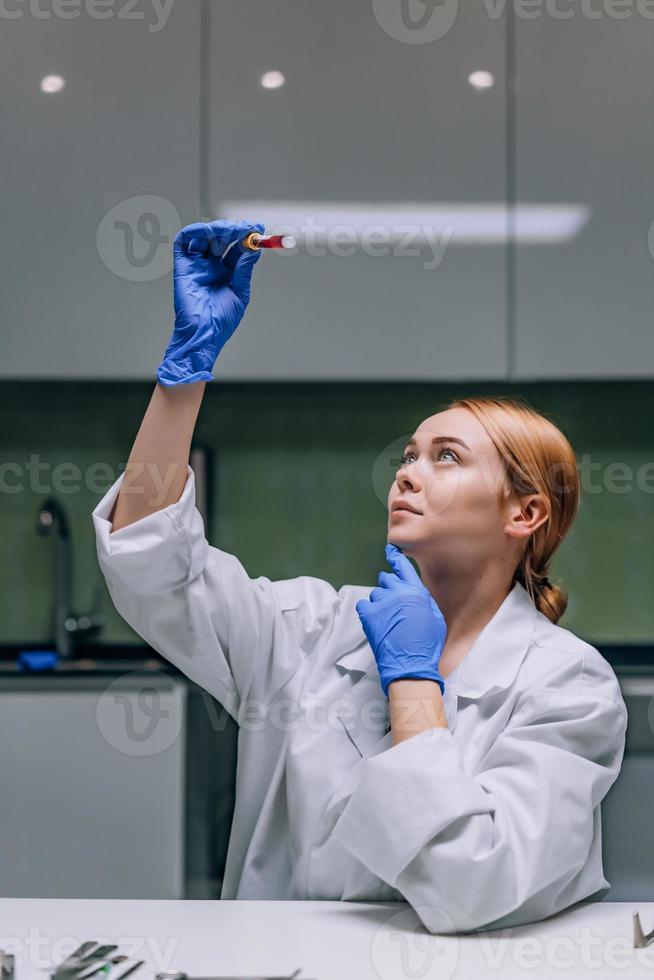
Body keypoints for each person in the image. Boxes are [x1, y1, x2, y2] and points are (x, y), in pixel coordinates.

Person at [91, 220, 627, 935]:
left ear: (525, 511)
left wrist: (410, 681)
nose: (406, 470)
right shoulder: (309, 630)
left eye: (445, 457)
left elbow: (471, 885)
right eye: (409, 453)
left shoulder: (567, 686)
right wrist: (183, 374)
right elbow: (150, 560)